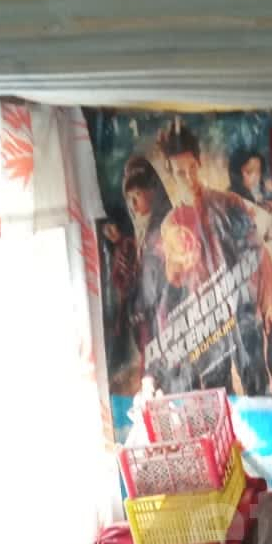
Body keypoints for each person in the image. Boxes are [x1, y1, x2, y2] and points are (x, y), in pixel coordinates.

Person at [157, 120, 272, 395]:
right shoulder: (171, 223)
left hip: (243, 309)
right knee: (215, 388)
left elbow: (258, 252)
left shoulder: (229, 203)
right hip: (205, 316)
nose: (189, 178)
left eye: (192, 169)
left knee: (255, 381)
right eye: (180, 173)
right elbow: (173, 282)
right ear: (170, 175)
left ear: (199, 163)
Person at [102, 155, 172, 390]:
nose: (133, 204)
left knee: (162, 368)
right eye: (129, 198)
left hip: (163, 310)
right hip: (143, 314)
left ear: (152, 191)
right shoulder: (138, 229)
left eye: (138, 195)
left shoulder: (165, 225)